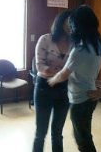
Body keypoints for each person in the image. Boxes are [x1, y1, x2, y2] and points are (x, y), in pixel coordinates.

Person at [48, 5, 101, 152]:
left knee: (83, 140)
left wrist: (52, 80)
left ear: (78, 26)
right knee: (85, 134)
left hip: (80, 99)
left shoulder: (80, 50)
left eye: (72, 24)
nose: (71, 28)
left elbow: (64, 74)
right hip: (91, 95)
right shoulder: (99, 44)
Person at [33, 10, 72, 152]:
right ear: (61, 22)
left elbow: (75, 67)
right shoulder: (45, 39)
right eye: (69, 22)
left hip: (64, 88)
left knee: (57, 133)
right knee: (40, 133)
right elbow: (40, 65)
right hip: (45, 87)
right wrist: (60, 73)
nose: (71, 25)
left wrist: (62, 75)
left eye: (73, 23)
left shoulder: (74, 43)